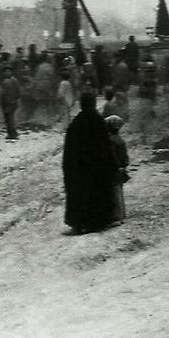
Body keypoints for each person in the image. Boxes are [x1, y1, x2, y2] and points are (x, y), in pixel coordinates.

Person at [62, 92, 118, 235]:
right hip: (97, 169)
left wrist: (68, 169)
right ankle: (98, 222)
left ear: (81, 104)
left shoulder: (75, 123)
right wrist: (112, 165)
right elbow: (106, 147)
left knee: (81, 194)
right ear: (93, 103)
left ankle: (79, 223)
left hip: (79, 169)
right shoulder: (98, 121)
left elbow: (68, 151)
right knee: (98, 193)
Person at [104, 115, 131, 224]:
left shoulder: (110, 141)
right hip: (120, 170)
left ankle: (116, 217)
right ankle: (122, 215)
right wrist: (123, 166)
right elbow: (125, 157)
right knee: (119, 192)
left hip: (113, 170)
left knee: (114, 193)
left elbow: (111, 157)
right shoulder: (121, 140)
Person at [0, 67, 21, 141]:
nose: (7, 73)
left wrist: (15, 99)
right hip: (5, 102)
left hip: (11, 101)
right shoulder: (4, 81)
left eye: (9, 71)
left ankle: (12, 133)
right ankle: (12, 132)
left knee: (9, 118)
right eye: (6, 71)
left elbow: (18, 91)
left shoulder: (14, 80)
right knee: (7, 118)